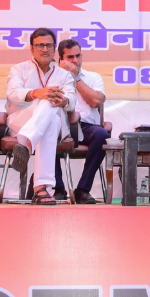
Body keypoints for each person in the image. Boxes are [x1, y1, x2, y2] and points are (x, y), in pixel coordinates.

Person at [6, 29, 76, 205]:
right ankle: (41, 188)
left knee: (51, 108)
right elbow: (13, 93)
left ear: (54, 48)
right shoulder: (19, 69)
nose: (45, 49)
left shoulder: (64, 74)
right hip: (22, 121)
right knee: (50, 111)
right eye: (40, 45)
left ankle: (26, 145)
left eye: (49, 45)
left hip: (48, 126)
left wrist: (63, 100)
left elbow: (72, 101)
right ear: (32, 48)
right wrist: (37, 93)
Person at [52, 38, 107, 204]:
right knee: (47, 133)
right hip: (60, 125)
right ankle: (58, 188)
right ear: (61, 59)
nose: (75, 60)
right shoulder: (52, 76)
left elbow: (96, 101)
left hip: (86, 127)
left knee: (102, 135)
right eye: (70, 57)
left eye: (78, 56)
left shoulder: (93, 77)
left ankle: (83, 190)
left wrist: (76, 78)